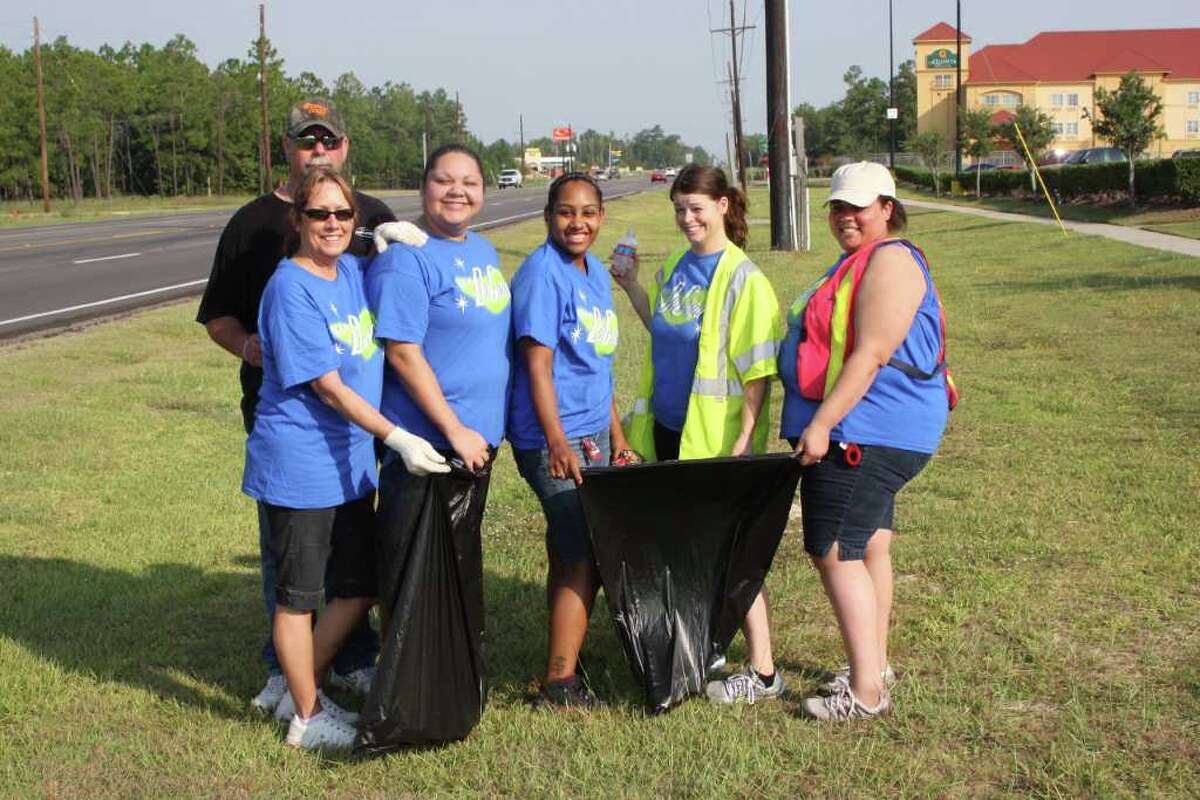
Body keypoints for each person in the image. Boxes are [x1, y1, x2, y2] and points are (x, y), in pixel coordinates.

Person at [197, 98, 405, 713]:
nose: (318, 149)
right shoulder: (254, 226)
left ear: (345, 149)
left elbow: (395, 311)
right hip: (295, 427)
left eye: (329, 141)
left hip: (354, 432)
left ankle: (345, 663)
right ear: (287, 149)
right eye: (306, 141)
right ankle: (285, 676)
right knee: (291, 571)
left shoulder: (370, 223)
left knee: (350, 564)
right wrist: (253, 348)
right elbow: (218, 317)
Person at [243, 167, 447, 750]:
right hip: (300, 463)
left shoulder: (351, 271)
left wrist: (381, 244)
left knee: (357, 586)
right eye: (319, 214)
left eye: (343, 214)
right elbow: (328, 387)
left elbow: (368, 264)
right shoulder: (290, 288)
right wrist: (399, 437)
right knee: (297, 596)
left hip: (350, 464)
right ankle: (308, 716)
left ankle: (298, 684)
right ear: (296, 221)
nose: (332, 223)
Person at [780, 161, 950, 720]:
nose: (846, 216)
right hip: (878, 427)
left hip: (867, 431)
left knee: (833, 549)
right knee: (871, 543)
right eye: (837, 206)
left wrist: (823, 423)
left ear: (886, 207)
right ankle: (871, 667)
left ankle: (867, 693)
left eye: (859, 205)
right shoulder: (859, 261)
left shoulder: (891, 259)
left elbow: (872, 351)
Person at [613, 164, 785, 705]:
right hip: (667, 431)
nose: (687, 219)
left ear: (724, 207)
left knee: (730, 552)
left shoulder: (743, 279)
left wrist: (745, 439)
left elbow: (758, 370)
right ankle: (701, 641)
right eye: (680, 209)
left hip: (715, 440)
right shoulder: (675, 268)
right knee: (679, 543)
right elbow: (666, 332)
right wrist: (633, 286)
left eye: (697, 208)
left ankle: (763, 669)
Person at [364, 143, 511, 654]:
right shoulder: (405, 261)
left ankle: (444, 660)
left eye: (469, 182)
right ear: (424, 186)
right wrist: (453, 430)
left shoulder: (482, 250)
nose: (457, 191)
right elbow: (403, 354)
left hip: (478, 440)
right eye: (444, 180)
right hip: (430, 444)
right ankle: (402, 671)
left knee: (454, 559)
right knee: (411, 565)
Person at [509, 173, 636, 708]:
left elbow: (596, 367)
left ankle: (569, 649)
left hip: (591, 432)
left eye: (587, 212)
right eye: (565, 212)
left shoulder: (592, 275)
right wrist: (557, 441)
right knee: (581, 552)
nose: (577, 223)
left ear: (601, 217)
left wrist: (619, 437)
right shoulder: (542, 275)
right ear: (548, 216)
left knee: (572, 549)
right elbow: (538, 367)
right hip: (553, 437)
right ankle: (560, 684)